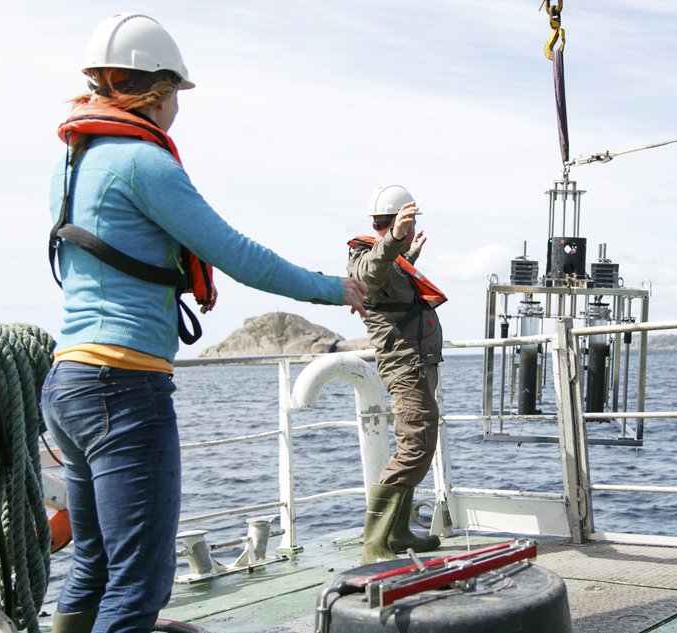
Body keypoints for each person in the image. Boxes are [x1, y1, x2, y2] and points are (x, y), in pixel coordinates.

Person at [42, 14, 367, 633]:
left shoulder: (72, 163)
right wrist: (334, 288)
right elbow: (238, 255)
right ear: (158, 92)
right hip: (122, 387)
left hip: (67, 385)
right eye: (174, 98)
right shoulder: (142, 163)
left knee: (93, 560)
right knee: (138, 582)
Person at [347, 185, 448, 564]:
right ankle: (375, 544)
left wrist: (406, 250)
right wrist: (394, 240)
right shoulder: (364, 257)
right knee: (414, 448)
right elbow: (372, 273)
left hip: (416, 363)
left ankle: (400, 530)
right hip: (406, 366)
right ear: (395, 225)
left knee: (418, 445)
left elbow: (385, 272)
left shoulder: (392, 259)